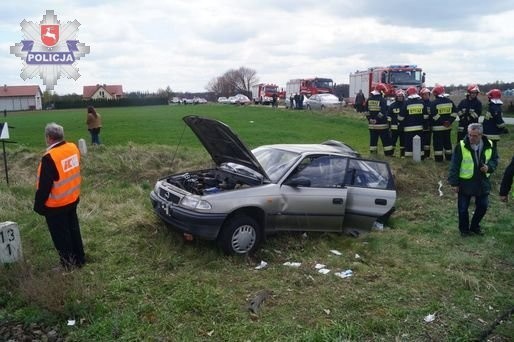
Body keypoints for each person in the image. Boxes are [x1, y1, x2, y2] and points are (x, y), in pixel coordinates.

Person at [34, 123, 85, 269]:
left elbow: (44, 186)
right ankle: (80, 259)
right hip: (72, 198)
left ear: (49, 138)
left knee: (61, 237)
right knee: (73, 230)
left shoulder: (49, 158)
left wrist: (38, 206)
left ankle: (68, 265)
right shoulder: (72, 148)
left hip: (56, 205)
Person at [448, 123, 498, 237]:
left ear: (481, 135)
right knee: (462, 209)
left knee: (483, 206)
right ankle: (464, 231)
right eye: (470, 135)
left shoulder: (489, 144)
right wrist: (454, 183)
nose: (471, 138)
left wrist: (488, 167)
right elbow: (454, 165)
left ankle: (475, 226)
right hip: (465, 182)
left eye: (474, 136)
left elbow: (494, 160)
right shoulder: (461, 146)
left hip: (482, 181)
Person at [430, 85, 458, 162]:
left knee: (438, 144)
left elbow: (434, 115)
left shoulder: (434, 103)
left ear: (436, 93)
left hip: (437, 128)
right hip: (447, 127)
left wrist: (442, 122)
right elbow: (455, 113)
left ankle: (439, 160)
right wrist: (449, 121)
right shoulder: (450, 101)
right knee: (447, 143)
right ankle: (449, 158)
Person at [364, 83, 393, 156]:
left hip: (372, 126)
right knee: (386, 141)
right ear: (381, 91)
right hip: (382, 125)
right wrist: (376, 119)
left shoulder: (369, 100)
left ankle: (373, 155)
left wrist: (370, 119)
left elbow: (366, 111)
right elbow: (382, 112)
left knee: (373, 141)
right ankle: (388, 154)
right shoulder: (382, 100)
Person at [398, 86, 427, 159]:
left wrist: (400, 123)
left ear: (408, 94)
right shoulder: (422, 102)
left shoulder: (406, 103)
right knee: (420, 142)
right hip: (419, 128)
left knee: (408, 143)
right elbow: (426, 116)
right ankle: (421, 157)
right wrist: (425, 125)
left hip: (408, 129)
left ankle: (409, 158)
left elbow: (401, 117)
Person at [388, 89, 405, 156]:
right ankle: (391, 153)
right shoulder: (392, 106)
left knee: (403, 142)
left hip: (403, 127)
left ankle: (402, 155)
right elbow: (389, 116)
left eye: (401, 96)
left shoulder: (405, 105)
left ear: (403, 97)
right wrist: (389, 126)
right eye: (399, 96)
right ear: (396, 97)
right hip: (394, 127)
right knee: (393, 141)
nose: (400, 97)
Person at [419, 87, 432, 158]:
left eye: (428, 94)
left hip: (428, 125)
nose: (426, 96)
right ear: (421, 95)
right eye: (425, 94)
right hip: (421, 125)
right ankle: (421, 154)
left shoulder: (431, 103)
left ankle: (427, 155)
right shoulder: (419, 103)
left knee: (427, 141)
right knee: (421, 140)